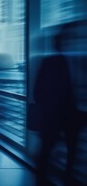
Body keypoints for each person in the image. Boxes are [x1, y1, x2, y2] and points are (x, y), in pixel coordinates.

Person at [33, 27, 76, 186]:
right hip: (55, 117)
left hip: (71, 117)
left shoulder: (50, 63)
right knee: (47, 153)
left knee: (68, 155)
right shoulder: (51, 63)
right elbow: (38, 92)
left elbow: (38, 91)